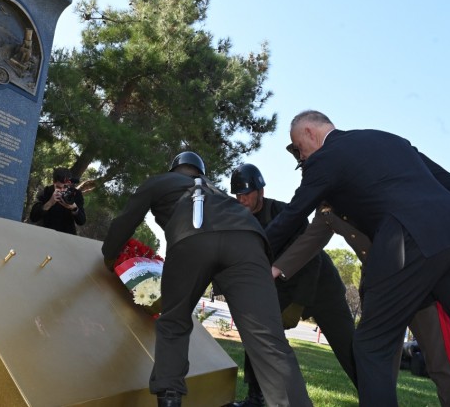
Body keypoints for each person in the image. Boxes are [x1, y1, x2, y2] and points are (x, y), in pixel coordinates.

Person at [264, 110, 450, 407]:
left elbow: (293, 213)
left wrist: (256, 252)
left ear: (310, 132)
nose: (302, 158)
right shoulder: (389, 140)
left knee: (371, 346)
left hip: (406, 242)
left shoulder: (326, 157)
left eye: (299, 148)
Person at [102, 152, 312, 407]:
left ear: (173, 170)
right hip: (249, 241)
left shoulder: (159, 182)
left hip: (192, 237)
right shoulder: (216, 192)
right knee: (268, 338)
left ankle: (169, 398)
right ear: (200, 172)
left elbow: (125, 222)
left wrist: (110, 257)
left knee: (174, 322)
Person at [276, 143, 450, 407]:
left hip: (419, 278)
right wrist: (274, 270)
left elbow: (445, 185)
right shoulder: (326, 207)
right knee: (376, 364)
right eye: (304, 166)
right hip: (380, 287)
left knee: (443, 364)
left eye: (310, 162)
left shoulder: (365, 179)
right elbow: (310, 241)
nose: (307, 171)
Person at [228, 163, 357, 407]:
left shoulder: (285, 214)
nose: (242, 199)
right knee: (257, 333)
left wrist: (298, 303)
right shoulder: (238, 221)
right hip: (278, 290)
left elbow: (311, 258)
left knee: (349, 350)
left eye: (247, 193)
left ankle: (375, 396)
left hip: (320, 287)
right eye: (238, 195)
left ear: (261, 191)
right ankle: (257, 398)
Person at [28, 167, 86, 234]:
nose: (62, 190)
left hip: (66, 236)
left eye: (65, 187)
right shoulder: (46, 192)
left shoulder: (76, 194)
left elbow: (82, 221)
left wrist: (74, 208)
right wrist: (50, 203)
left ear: (69, 184)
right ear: (53, 182)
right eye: (58, 187)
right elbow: (33, 217)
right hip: (46, 233)